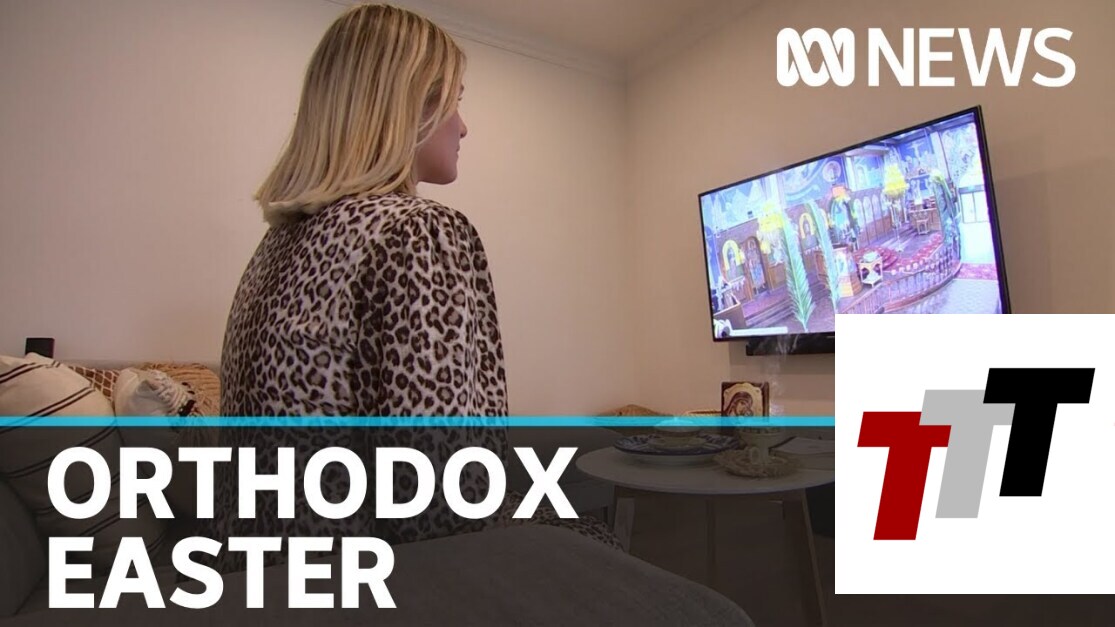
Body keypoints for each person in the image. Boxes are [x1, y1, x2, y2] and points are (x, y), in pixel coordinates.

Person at [201, 3, 618, 573]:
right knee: (599, 539)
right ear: (408, 105)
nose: (463, 127)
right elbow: (442, 501)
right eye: (455, 102)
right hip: (371, 588)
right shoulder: (417, 230)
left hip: (257, 583)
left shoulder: (275, 247)